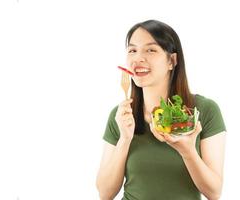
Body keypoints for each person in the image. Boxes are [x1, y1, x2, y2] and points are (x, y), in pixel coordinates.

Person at [96, 20, 226, 200]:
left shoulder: (204, 111)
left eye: (151, 50)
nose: (138, 58)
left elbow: (214, 192)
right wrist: (124, 140)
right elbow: (105, 193)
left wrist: (188, 151)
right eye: (132, 50)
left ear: (172, 61)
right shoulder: (120, 116)